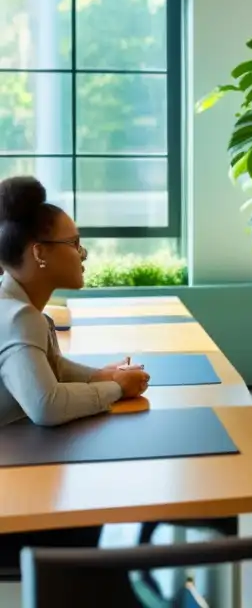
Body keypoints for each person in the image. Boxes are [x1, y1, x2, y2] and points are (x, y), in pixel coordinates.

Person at [0, 176, 151, 567]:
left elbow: (50, 366)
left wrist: (100, 376)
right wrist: (115, 389)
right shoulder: (18, 317)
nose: (83, 253)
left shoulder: (15, 303)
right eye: (74, 243)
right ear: (40, 253)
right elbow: (45, 405)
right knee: (126, 504)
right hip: (11, 511)